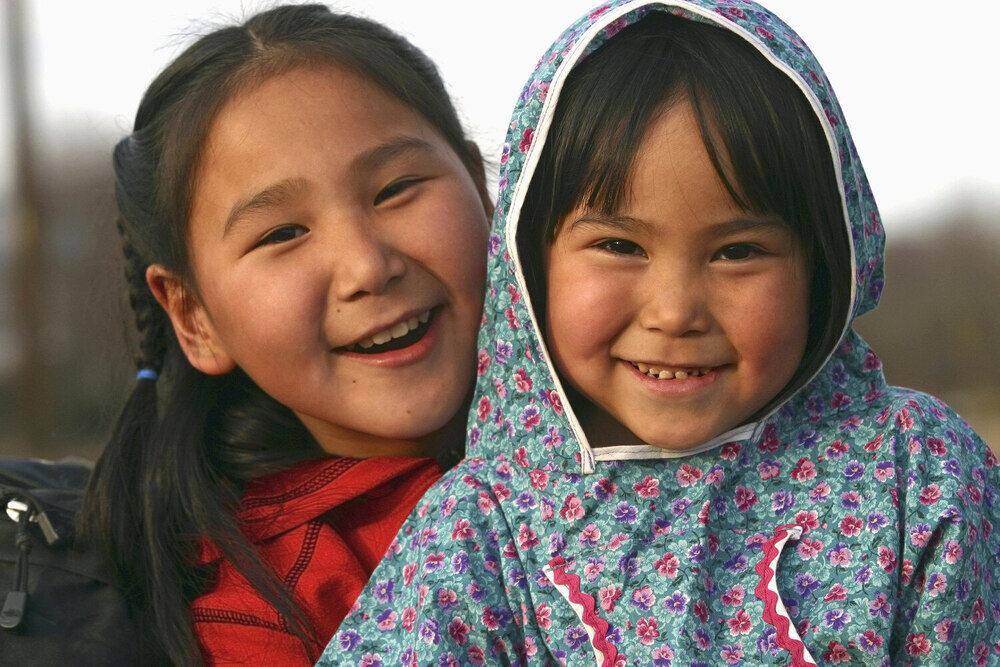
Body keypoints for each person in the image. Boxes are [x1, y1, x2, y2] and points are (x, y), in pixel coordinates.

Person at [321, 2, 999, 665]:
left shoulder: (918, 474)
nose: (675, 312)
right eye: (619, 244)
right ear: (530, 261)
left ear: (823, 266)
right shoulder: (480, 532)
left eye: (737, 251)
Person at [78, 4, 491, 664]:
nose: (366, 266)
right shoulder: (269, 612)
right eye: (281, 234)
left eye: (397, 188)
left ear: (479, 184)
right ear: (194, 318)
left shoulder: (650, 415)